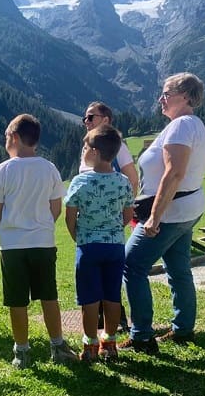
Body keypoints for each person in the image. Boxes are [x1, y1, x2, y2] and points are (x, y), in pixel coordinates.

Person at [118, 72, 205, 354]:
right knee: (178, 268)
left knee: (131, 264)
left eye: (166, 93)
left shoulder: (181, 126)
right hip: (187, 209)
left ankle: (142, 335)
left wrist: (154, 217)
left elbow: (174, 173)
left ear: (185, 97)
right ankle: (183, 329)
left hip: (170, 212)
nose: (161, 98)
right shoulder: (190, 124)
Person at [0, 114, 78, 369]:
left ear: (14, 137)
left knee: (17, 300)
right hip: (43, 242)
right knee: (49, 295)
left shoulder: (3, 170)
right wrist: (42, 226)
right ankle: (58, 345)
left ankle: (22, 351)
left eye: (6, 136)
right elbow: (56, 208)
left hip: (12, 245)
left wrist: (9, 227)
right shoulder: (48, 167)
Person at [65, 124, 134, 363]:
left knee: (89, 299)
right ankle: (110, 342)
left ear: (94, 151)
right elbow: (127, 214)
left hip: (88, 247)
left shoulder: (79, 182)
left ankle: (90, 345)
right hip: (115, 247)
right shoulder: (123, 181)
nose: (83, 151)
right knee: (112, 297)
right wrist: (114, 230)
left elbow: (70, 217)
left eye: (85, 147)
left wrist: (80, 237)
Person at [79, 101, 136, 331]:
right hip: (91, 222)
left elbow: (132, 177)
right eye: (85, 118)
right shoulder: (89, 146)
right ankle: (104, 322)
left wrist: (124, 211)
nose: (86, 121)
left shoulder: (116, 145)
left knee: (106, 275)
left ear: (106, 119)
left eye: (91, 117)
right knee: (101, 274)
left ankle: (117, 321)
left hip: (107, 221)